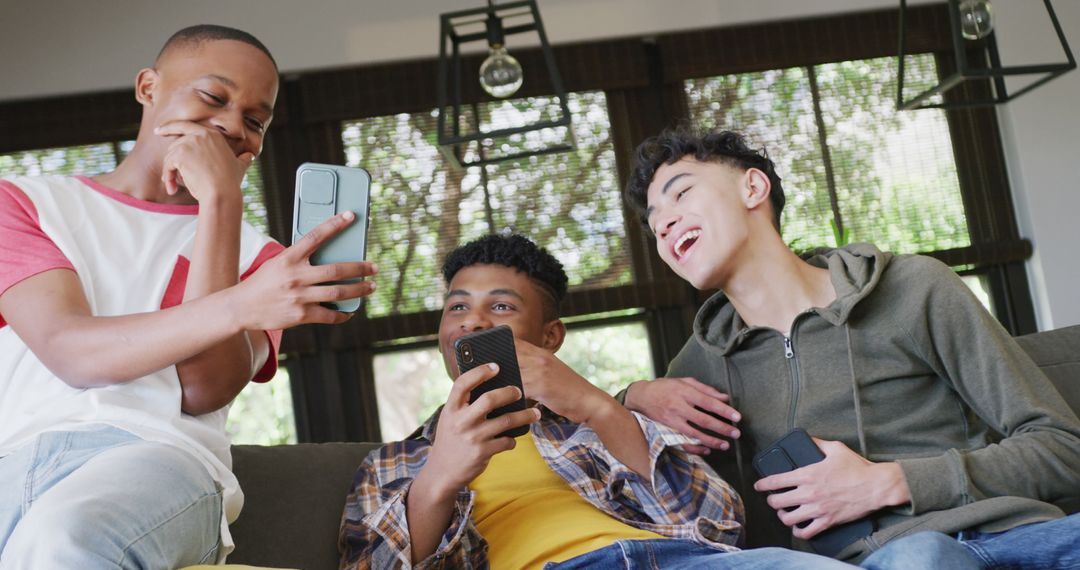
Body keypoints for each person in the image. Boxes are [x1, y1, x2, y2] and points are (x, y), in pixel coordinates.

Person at [0, 25, 377, 568]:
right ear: (148, 87)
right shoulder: (28, 204)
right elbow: (72, 352)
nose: (230, 126)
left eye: (255, 121)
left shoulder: (263, 262)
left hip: (156, 460)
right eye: (213, 97)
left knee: (67, 540)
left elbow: (203, 389)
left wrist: (220, 203)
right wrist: (241, 305)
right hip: (15, 458)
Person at [617, 126, 1080, 566]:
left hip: (1018, 536)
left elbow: (1063, 449)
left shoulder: (913, 289)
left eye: (681, 194)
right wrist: (631, 397)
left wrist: (890, 483)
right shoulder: (698, 367)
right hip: (898, 559)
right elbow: (590, 447)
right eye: (653, 221)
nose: (664, 223)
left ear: (753, 188)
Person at [338, 234, 855, 570]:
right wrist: (439, 477)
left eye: (500, 306)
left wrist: (599, 406)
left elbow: (718, 524)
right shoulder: (392, 464)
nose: (472, 321)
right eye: (457, 307)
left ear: (549, 336)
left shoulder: (603, 417)